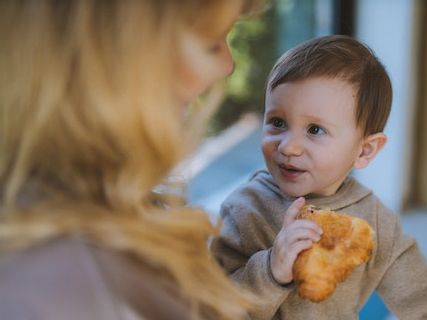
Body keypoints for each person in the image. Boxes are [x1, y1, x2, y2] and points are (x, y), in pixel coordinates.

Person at [0, 0, 264, 319]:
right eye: (211, 44)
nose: (226, 66)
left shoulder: (103, 211)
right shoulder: (63, 284)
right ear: (114, 55)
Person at [211, 35, 427, 319]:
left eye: (315, 130)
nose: (288, 147)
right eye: (277, 122)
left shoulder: (377, 223)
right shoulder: (244, 209)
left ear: (365, 150)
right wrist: (270, 271)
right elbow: (212, 307)